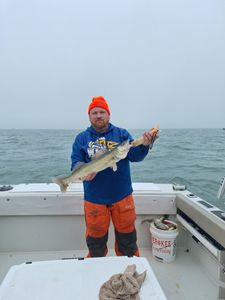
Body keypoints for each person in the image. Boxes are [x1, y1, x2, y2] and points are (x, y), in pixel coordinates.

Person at [71, 96, 158, 257]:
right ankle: (96, 266)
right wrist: (81, 172)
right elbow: (76, 161)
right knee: (95, 239)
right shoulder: (82, 138)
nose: (98, 115)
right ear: (89, 116)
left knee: (127, 238)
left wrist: (145, 145)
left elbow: (134, 156)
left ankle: (129, 266)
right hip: (94, 197)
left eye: (102, 112)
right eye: (94, 112)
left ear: (108, 115)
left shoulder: (121, 134)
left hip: (122, 195)